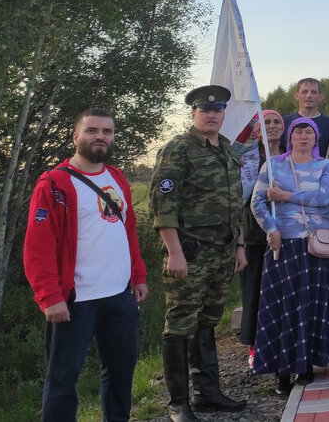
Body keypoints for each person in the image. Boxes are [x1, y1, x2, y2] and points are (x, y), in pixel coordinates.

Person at [24, 109, 148, 422]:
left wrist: (138, 276)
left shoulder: (117, 177)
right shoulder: (54, 184)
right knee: (62, 382)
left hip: (119, 296)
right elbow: (37, 248)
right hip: (75, 301)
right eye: (92, 130)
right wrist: (49, 296)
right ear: (76, 136)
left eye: (107, 131)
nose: (100, 137)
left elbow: (127, 231)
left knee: (120, 374)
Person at [150, 85, 247, 421]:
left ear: (223, 114)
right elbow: (164, 206)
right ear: (193, 113)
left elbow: (236, 203)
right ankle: (179, 403)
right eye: (204, 110)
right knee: (179, 325)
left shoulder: (228, 149)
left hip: (222, 252)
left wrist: (239, 246)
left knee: (206, 322)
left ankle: (207, 391)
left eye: (217, 109)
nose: (211, 114)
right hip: (190, 251)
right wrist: (174, 252)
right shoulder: (179, 149)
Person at [250, 118, 329, 393]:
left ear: (316, 139)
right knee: (285, 308)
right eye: (298, 131)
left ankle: (307, 364)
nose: (304, 136)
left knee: (313, 306)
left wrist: (285, 195)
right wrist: (271, 228)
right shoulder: (273, 165)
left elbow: (324, 198)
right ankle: (282, 370)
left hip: (318, 245)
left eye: (309, 132)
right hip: (285, 244)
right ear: (290, 137)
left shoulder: (325, 166)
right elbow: (257, 201)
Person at [238, 110, 284, 358]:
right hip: (255, 235)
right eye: (266, 122)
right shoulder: (249, 157)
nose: (273, 126)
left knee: (280, 291)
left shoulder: (290, 155)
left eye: (277, 121)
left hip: (285, 232)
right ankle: (256, 344)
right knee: (255, 291)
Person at [283, 78, 329, 158]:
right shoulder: (285, 122)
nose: (309, 96)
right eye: (304, 92)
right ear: (296, 96)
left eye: (313, 92)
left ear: (320, 97)